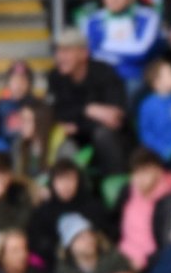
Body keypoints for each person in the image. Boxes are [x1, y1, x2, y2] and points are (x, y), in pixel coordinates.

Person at [47, 29, 129, 177]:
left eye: (66, 51)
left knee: (103, 134)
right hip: (77, 139)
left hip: (113, 140)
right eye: (58, 51)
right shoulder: (55, 77)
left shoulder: (105, 73)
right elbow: (57, 111)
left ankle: (116, 185)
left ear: (84, 53)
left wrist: (78, 124)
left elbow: (115, 118)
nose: (59, 57)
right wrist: (89, 109)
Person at [84, 0, 163, 91]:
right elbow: (93, 54)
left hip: (134, 77)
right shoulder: (93, 20)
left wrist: (106, 47)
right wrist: (126, 49)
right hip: (102, 79)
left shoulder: (148, 17)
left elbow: (141, 52)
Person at [117, 149, 171, 271]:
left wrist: (147, 260)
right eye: (136, 172)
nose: (139, 178)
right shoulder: (128, 191)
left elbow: (167, 238)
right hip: (125, 253)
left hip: (156, 259)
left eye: (144, 172)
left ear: (158, 170)